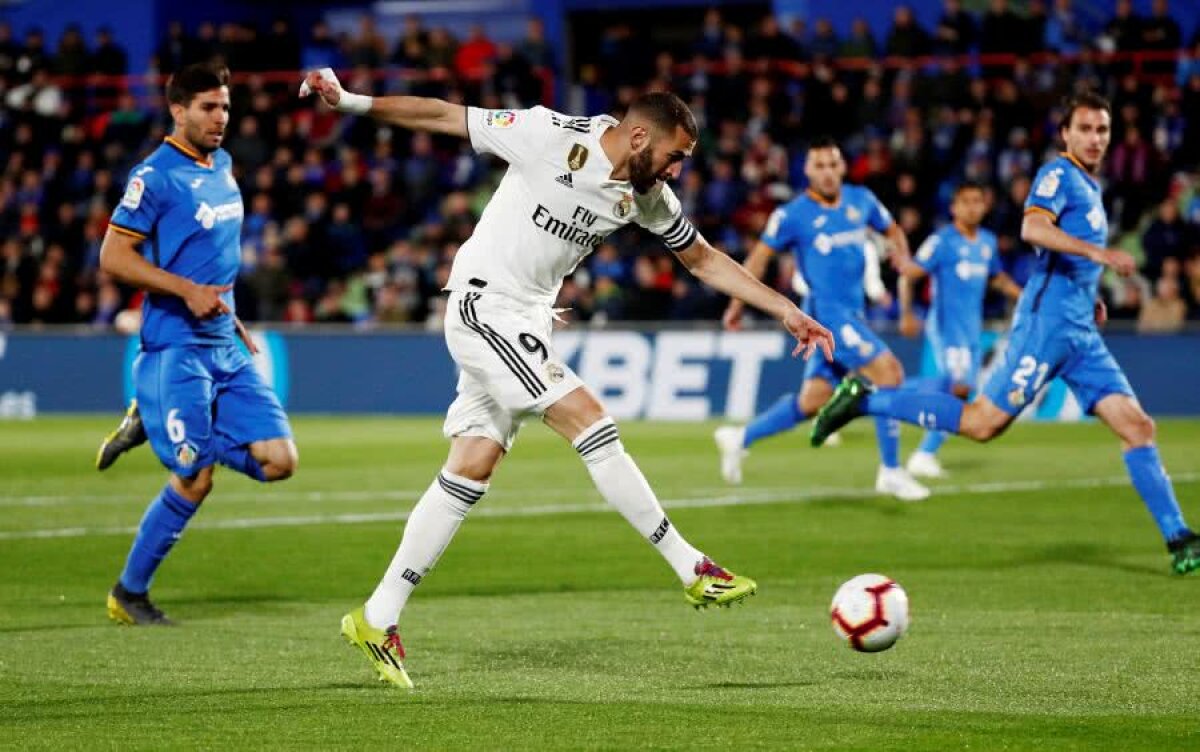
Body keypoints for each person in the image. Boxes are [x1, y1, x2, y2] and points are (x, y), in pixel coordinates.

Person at [299, 69, 835, 688]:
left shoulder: (648, 197)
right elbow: (446, 115)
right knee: (591, 420)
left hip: (528, 320)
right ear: (638, 138)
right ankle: (690, 566)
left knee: (470, 466)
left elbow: (703, 259)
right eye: (674, 158)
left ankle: (376, 615)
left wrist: (785, 310)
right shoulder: (546, 134)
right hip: (484, 306)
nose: (677, 173)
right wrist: (354, 102)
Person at [810, 92, 1200, 575]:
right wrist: (1099, 257)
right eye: (1086, 129)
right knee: (980, 424)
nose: (1095, 138)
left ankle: (1180, 538)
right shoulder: (1059, 174)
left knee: (1138, 427)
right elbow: (1034, 229)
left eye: (1103, 129)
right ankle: (866, 400)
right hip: (1046, 328)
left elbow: (1062, 256)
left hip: (1080, 332)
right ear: (1066, 133)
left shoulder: (1089, 186)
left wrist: (1086, 288)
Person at [99, 62, 299, 625]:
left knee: (280, 461)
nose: (221, 118)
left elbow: (214, 257)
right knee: (195, 475)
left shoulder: (225, 165)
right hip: (177, 346)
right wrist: (186, 290)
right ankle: (128, 593)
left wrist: (228, 310)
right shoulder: (154, 177)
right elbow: (113, 258)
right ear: (178, 109)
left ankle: (152, 420)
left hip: (224, 342)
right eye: (209, 108)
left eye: (226, 108)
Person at [713, 136, 931, 501]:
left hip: (852, 315)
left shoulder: (862, 200)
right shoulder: (792, 215)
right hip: (828, 316)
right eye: (820, 166)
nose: (828, 173)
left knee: (813, 400)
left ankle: (739, 438)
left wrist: (900, 254)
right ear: (807, 171)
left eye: (833, 164)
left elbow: (892, 230)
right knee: (889, 373)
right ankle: (891, 471)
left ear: (843, 167)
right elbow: (759, 259)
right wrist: (737, 303)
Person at [897, 181, 1022, 478]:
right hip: (946, 329)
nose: (972, 207)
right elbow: (908, 276)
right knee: (959, 390)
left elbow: (998, 279)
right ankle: (922, 452)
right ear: (954, 207)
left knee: (958, 392)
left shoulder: (987, 242)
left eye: (977, 201)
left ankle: (880, 394)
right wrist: (905, 314)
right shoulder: (942, 241)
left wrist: (1029, 298)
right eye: (965, 202)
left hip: (972, 332)